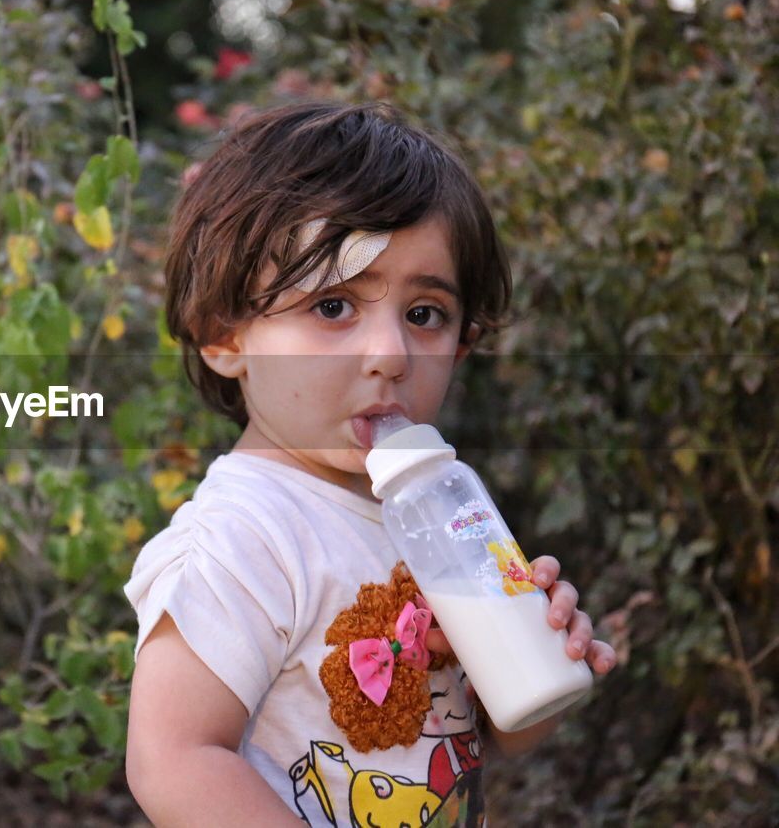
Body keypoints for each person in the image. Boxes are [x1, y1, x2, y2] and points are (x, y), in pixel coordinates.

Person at [123, 101, 617, 827]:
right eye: (333, 306)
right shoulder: (245, 535)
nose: (390, 355)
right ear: (226, 336)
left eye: (425, 314)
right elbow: (173, 758)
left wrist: (540, 661)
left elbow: (487, 733)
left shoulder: (431, 510)